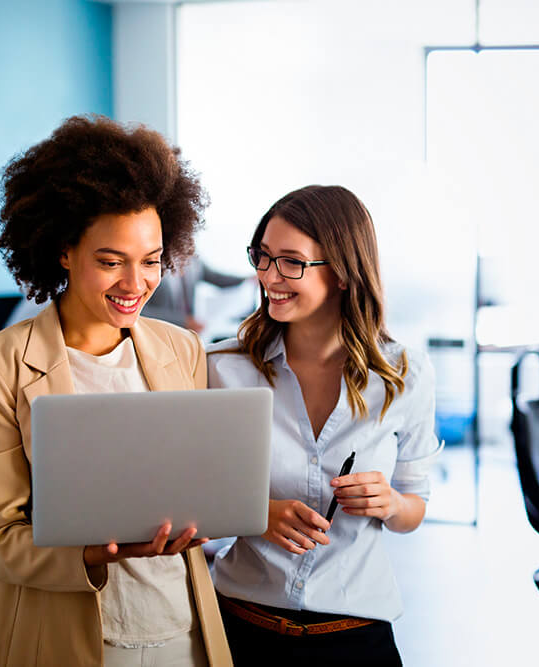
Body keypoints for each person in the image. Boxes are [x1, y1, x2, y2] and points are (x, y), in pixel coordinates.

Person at [0, 115, 231, 667]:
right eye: (110, 262)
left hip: (180, 626)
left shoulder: (183, 350)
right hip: (64, 635)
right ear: (63, 251)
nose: (135, 284)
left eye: (151, 261)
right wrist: (91, 553)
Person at [206, 185, 442, 665]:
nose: (269, 276)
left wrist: (391, 503)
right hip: (240, 631)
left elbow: (415, 507)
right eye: (263, 257)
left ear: (341, 271)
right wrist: (256, 513)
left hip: (356, 637)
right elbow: (182, 494)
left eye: (291, 262)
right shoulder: (221, 369)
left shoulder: (404, 375)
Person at [143, 255, 249, 334]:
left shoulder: (192, 258)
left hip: (187, 335)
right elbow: (142, 312)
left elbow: (217, 278)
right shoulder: (150, 262)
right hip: (158, 334)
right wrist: (182, 321)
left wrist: (247, 280)